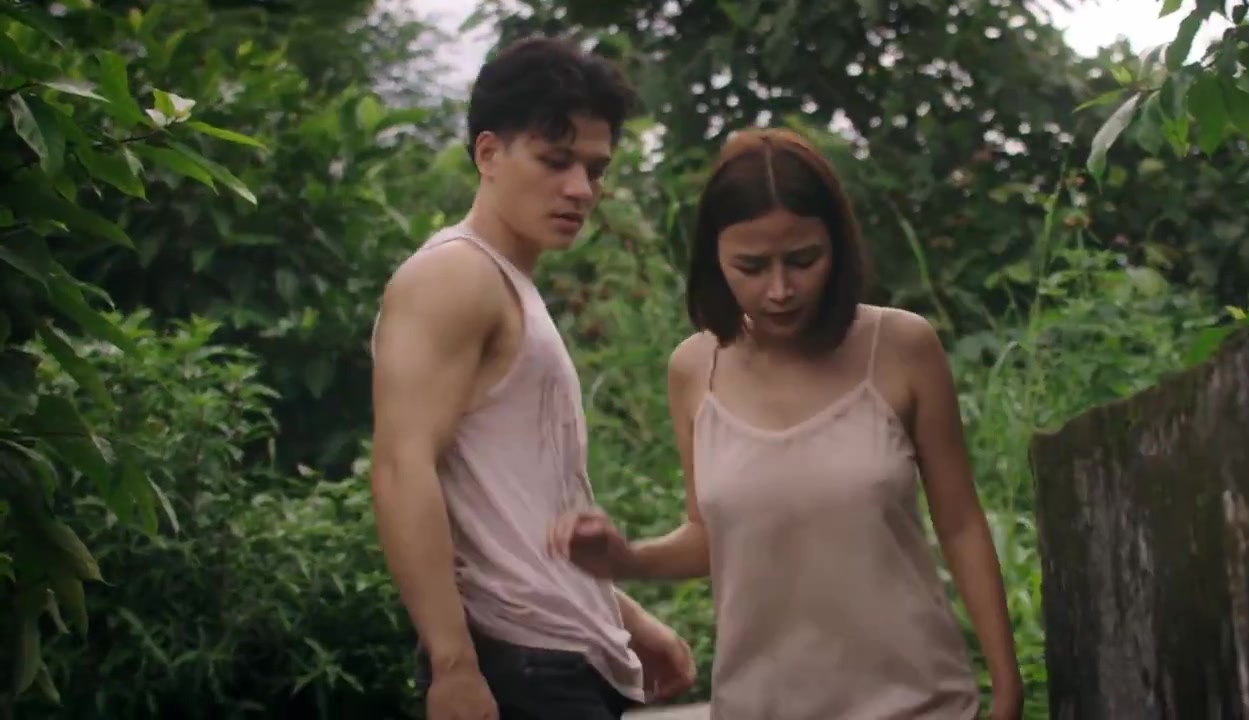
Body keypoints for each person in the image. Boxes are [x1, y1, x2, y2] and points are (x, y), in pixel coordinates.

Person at [551, 128, 1023, 719]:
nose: (779, 290)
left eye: (803, 260)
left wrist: (1007, 687)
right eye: (751, 266)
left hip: (918, 704)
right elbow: (709, 536)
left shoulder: (902, 347)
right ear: (715, 259)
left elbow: (960, 523)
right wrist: (626, 560)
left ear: (837, 247)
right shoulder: (695, 370)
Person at [368, 37, 695, 720]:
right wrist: (453, 666)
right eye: (555, 161)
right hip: (519, 664)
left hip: (559, 657)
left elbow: (514, 519)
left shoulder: (508, 285)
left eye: (595, 169)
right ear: (488, 153)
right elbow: (401, 467)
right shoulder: (454, 276)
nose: (581, 189)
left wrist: (629, 620)